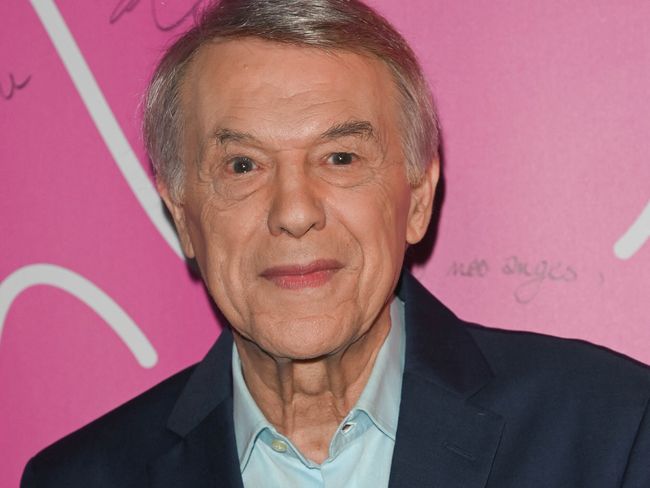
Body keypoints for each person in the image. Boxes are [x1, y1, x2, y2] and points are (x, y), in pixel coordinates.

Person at [21, 0, 650, 486]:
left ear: (418, 197)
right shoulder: (80, 477)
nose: (294, 213)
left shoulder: (612, 431)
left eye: (340, 157)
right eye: (242, 166)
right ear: (183, 216)